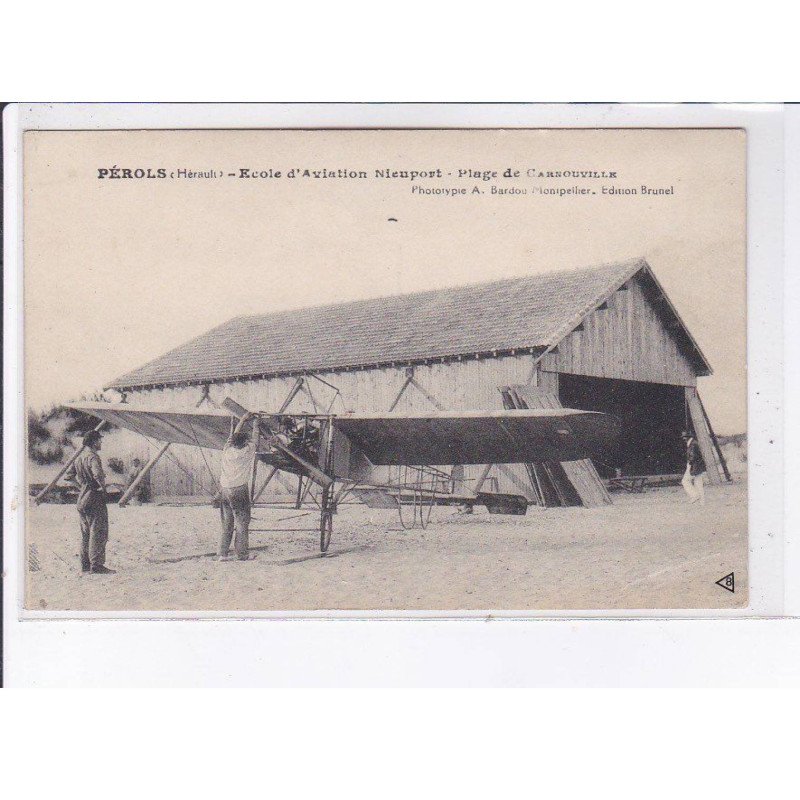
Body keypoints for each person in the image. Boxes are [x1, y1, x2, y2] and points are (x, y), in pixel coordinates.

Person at [63, 429, 115, 574]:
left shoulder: (78, 457)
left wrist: (81, 486)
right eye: (99, 440)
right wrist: (102, 488)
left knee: (85, 533)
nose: (101, 442)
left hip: (82, 498)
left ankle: (85, 565)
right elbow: (97, 474)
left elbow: (68, 477)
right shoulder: (93, 457)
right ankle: (97, 565)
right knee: (98, 532)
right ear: (93, 442)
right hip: (94, 498)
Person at [218, 411, 260, 561]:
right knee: (242, 522)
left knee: (227, 522)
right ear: (244, 443)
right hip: (239, 490)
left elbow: (233, 436)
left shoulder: (227, 450)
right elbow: (255, 438)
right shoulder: (248, 452)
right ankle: (242, 554)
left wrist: (242, 419)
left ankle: (222, 554)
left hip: (224, 489)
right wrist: (256, 423)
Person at [681, 430, 707, 504]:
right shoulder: (694, 443)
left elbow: (692, 456)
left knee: (685, 481)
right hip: (698, 466)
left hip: (693, 466)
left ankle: (694, 495)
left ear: (686, 438)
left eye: (684, 437)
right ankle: (702, 502)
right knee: (698, 483)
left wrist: (689, 463)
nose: (683, 439)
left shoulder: (692, 444)